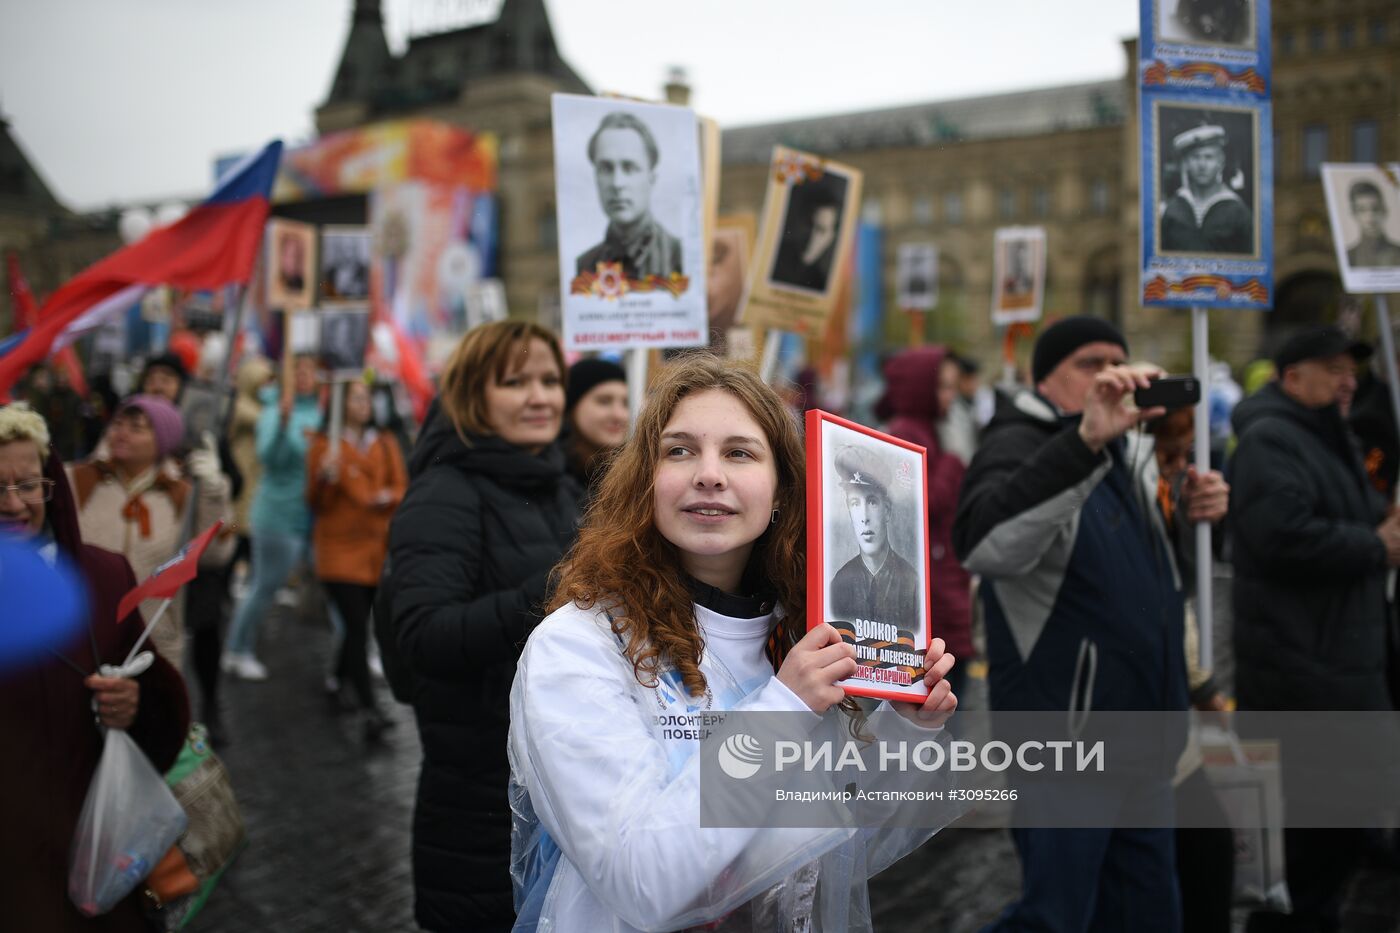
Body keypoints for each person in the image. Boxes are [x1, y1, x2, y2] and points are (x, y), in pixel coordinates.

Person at [508, 354, 960, 933]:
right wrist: (785, 710)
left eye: (740, 452)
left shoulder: (802, 636)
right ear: (646, 481)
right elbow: (641, 880)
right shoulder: (578, 646)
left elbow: (834, 839)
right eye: (679, 450)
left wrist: (906, 727)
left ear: (780, 493)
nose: (709, 474)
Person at [953, 315, 1229, 932]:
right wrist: (1083, 443)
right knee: (1056, 916)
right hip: (1067, 743)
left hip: (1147, 736)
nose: (1108, 374)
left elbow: (1145, 582)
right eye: (1089, 362)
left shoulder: (1128, 450)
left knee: (1148, 912)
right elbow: (986, 546)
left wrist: (1188, 516)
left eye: (1117, 360)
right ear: (1043, 378)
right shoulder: (1017, 440)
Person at [385, 320, 583, 932]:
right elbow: (421, 634)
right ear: (473, 393)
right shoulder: (444, 493)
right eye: (515, 381)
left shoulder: (558, 483)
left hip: (559, 793)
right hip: (480, 810)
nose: (540, 396)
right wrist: (552, 595)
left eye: (550, 380)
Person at [1229, 325, 1400, 933]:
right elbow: (1283, 536)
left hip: (1341, 667)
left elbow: (1343, 514)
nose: (1347, 380)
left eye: (1351, 369)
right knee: (1308, 850)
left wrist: (1381, 520)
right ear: (1292, 376)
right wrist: (1376, 544)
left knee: (1339, 836)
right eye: (1332, 369)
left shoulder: (1329, 434)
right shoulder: (1270, 439)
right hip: (1304, 677)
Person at [0, 403, 190, 933]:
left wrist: (134, 706)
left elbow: (158, 703)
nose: (13, 504)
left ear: (50, 486)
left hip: (94, 846)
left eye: (27, 485)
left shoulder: (106, 576)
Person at [1148, 407, 1235, 933]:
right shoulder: (1130, 502)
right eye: (1167, 456)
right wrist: (1205, 687)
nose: (1177, 468)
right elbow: (1165, 604)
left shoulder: (1166, 496)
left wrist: (1205, 516)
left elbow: (1185, 585)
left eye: (1185, 458)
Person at [68, 395, 234, 667]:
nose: (121, 433)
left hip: (153, 644)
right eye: (118, 424)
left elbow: (217, 552)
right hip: (82, 638)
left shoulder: (180, 493)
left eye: (136, 428)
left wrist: (216, 492)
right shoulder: (79, 479)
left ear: (163, 440)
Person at [305, 379, 406, 740]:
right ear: (340, 406)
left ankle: (336, 680)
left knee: (357, 622)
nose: (365, 404)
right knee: (357, 626)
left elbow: (401, 485)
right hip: (338, 551)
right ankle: (369, 708)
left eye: (367, 398)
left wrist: (385, 495)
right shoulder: (323, 447)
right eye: (357, 398)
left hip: (375, 550)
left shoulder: (386, 442)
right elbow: (316, 502)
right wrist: (325, 480)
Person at [876, 346, 975, 699]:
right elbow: (916, 505)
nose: (951, 395)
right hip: (929, 589)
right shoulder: (906, 432)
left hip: (943, 578)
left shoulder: (931, 429)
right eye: (943, 386)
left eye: (952, 386)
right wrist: (952, 461)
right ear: (922, 388)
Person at [222, 354, 321, 681]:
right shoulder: (271, 410)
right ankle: (236, 648)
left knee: (338, 588)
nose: (305, 376)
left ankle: (359, 656)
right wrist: (280, 424)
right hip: (276, 512)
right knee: (264, 586)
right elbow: (269, 457)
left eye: (310, 370)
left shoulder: (321, 411)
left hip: (314, 514)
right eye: (298, 371)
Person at [826, 443, 922, 634]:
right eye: (855, 503)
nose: (864, 516)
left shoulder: (911, 582)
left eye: (872, 502)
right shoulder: (839, 584)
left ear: (886, 510)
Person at [575, 112, 682, 281]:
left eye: (629, 168)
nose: (617, 183)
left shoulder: (682, 259)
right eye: (606, 168)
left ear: (651, 178)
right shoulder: (583, 268)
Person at [1160, 124, 1254, 255]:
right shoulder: (1173, 210)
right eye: (1195, 157)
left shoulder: (1238, 212)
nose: (1202, 165)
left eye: (1209, 157)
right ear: (1186, 163)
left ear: (1220, 162)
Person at [562, 357, 628, 498]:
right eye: (604, 401)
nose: (619, 414)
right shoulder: (553, 473)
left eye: (625, 403)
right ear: (573, 407)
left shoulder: (632, 472)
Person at [770, 181, 842, 291]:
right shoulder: (773, 255)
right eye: (808, 224)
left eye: (821, 229)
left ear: (831, 237)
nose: (811, 235)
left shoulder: (823, 284)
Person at [1345, 180, 1400, 269]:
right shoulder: (1349, 257)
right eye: (1362, 210)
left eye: (1375, 209)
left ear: (1384, 210)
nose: (1370, 217)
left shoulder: (1398, 251)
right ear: (1354, 214)